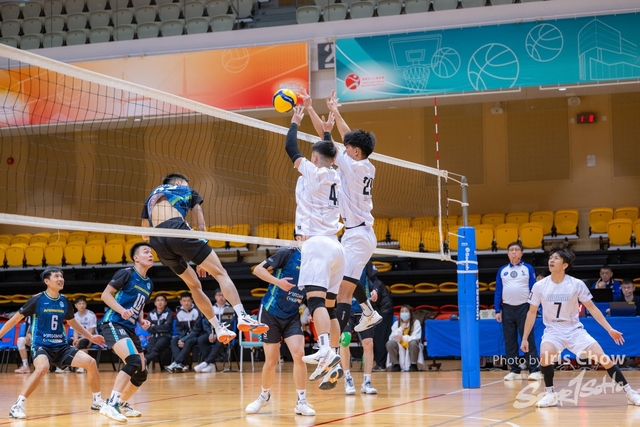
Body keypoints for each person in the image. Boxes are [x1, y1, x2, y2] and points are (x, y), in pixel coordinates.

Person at [141, 172, 267, 343]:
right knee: (220, 273)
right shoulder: (187, 191)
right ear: (178, 183)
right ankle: (242, 316)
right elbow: (200, 225)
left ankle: (218, 328)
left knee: (194, 286)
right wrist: (201, 256)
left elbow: (144, 234)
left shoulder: (151, 198)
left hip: (158, 242)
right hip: (177, 229)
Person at [301, 89, 382, 335]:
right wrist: (334, 112)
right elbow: (342, 140)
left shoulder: (353, 167)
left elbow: (330, 145)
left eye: (347, 148)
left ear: (355, 151)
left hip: (358, 235)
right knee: (342, 281)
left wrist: (312, 110)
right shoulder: (366, 165)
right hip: (357, 233)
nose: (344, 150)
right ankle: (368, 311)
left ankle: (335, 348)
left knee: (341, 294)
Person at [521, 244, 640, 408]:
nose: (551, 261)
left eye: (556, 258)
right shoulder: (539, 286)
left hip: (574, 331)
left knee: (603, 358)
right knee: (545, 356)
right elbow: (531, 312)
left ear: (565, 264)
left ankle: (630, 392)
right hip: (553, 331)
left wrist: (609, 329)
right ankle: (550, 394)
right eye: (550, 258)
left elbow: (592, 308)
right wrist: (525, 338)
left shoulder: (576, 284)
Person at [285, 105, 345, 390]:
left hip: (317, 244)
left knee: (316, 303)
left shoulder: (312, 172)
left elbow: (290, 148)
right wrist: (327, 132)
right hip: (336, 246)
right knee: (329, 309)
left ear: (315, 158)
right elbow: (328, 152)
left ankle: (325, 352)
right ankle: (334, 359)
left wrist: (295, 121)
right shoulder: (338, 175)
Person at [0, 268, 106, 420]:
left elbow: (72, 322)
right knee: (42, 368)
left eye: (62, 276)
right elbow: (14, 320)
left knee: (91, 362)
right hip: (41, 345)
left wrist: (91, 337)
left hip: (61, 346)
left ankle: (97, 401)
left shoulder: (64, 301)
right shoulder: (37, 300)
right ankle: (17, 405)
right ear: (47, 281)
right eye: (56, 276)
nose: (60, 279)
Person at [245, 239, 315, 416]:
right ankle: (264, 396)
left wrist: (315, 310)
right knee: (271, 361)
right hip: (271, 311)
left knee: (299, 355)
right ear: (299, 237)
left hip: (292, 315)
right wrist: (278, 282)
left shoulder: (316, 259)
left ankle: (301, 402)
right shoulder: (288, 253)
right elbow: (258, 270)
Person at [99, 242, 156, 422]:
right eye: (146, 252)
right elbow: (105, 295)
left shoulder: (149, 283)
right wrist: (121, 310)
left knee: (141, 372)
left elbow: (139, 305)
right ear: (136, 258)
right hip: (114, 323)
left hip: (130, 328)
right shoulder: (126, 273)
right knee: (132, 360)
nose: (151, 254)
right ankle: (111, 404)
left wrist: (141, 320)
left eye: (151, 252)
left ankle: (122, 403)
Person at [494, 242, 541, 381]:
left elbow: (533, 288)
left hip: (524, 308)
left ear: (522, 253)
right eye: (511, 250)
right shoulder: (502, 270)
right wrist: (497, 310)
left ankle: (534, 369)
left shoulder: (528, 268)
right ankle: (514, 370)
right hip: (507, 308)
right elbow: (498, 290)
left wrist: (533, 307)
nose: (514, 252)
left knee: (528, 339)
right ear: (508, 253)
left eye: (516, 249)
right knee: (510, 340)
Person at [194, 289, 233, 373]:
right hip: (212, 333)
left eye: (223, 295)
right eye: (219, 295)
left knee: (220, 339)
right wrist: (210, 334)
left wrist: (217, 334)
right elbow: (206, 324)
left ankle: (206, 362)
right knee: (201, 339)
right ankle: (211, 365)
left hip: (225, 334)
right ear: (215, 297)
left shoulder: (229, 309)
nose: (221, 297)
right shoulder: (211, 308)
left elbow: (227, 324)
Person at [166, 293, 204, 373]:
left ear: (192, 301)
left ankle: (176, 362)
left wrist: (183, 339)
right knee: (173, 341)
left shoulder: (196, 311)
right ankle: (180, 364)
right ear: (181, 302)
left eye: (188, 301)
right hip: (184, 336)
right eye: (184, 301)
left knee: (188, 341)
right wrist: (181, 339)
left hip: (196, 336)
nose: (186, 303)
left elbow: (196, 330)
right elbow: (179, 329)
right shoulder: (179, 313)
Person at [385, 305, 422, 372]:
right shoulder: (396, 323)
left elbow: (416, 337)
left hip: (411, 344)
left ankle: (413, 364)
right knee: (389, 343)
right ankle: (396, 364)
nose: (404, 313)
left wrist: (403, 337)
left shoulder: (416, 322)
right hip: (399, 344)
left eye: (406, 311)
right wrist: (401, 328)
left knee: (413, 343)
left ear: (410, 313)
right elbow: (391, 337)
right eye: (402, 311)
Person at [144, 294, 173, 367]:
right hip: (153, 336)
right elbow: (149, 328)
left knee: (155, 349)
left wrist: (154, 326)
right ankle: (143, 368)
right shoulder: (151, 313)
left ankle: (141, 362)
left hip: (165, 337)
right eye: (158, 300)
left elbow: (167, 327)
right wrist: (160, 327)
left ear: (165, 303)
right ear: (155, 303)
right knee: (149, 350)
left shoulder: (169, 313)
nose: (160, 302)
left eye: (162, 300)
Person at [71, 296, 98, 373]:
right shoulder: (74, 316)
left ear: (86, 305)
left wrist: (79, 340)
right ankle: (65, 367)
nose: (82, 305)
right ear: (76, 305)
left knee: (82, 342)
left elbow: (91, 332)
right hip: (79, 337)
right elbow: (75, 331)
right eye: (80, 304)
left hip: (90, 337)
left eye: (83, 303)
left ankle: (82, 366)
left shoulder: (91, 315)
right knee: (68, 342)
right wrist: (76, 339)